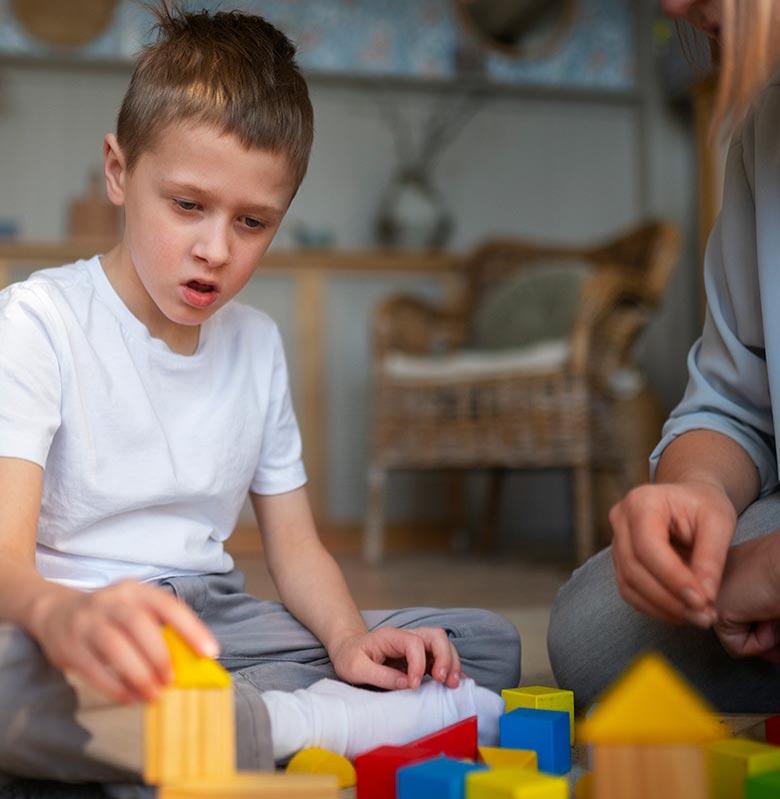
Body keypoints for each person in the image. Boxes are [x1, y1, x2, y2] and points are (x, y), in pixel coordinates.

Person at [0, 6, 520, 788]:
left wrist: (347, 641)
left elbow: (297, 546)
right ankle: (291, 723)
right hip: (82, 623)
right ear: (118, 171)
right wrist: (60, 616)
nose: (215, 249)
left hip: (218, 625)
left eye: (252, 222)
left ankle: (210, 728)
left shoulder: (257, 344)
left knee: (480, 644)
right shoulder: (37, 322)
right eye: (187, 206)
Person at [547, 0, 780, 712]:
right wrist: (696, 489)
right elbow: (736, 400)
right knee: (594, 631)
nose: (674, 5)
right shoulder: (762, 132)